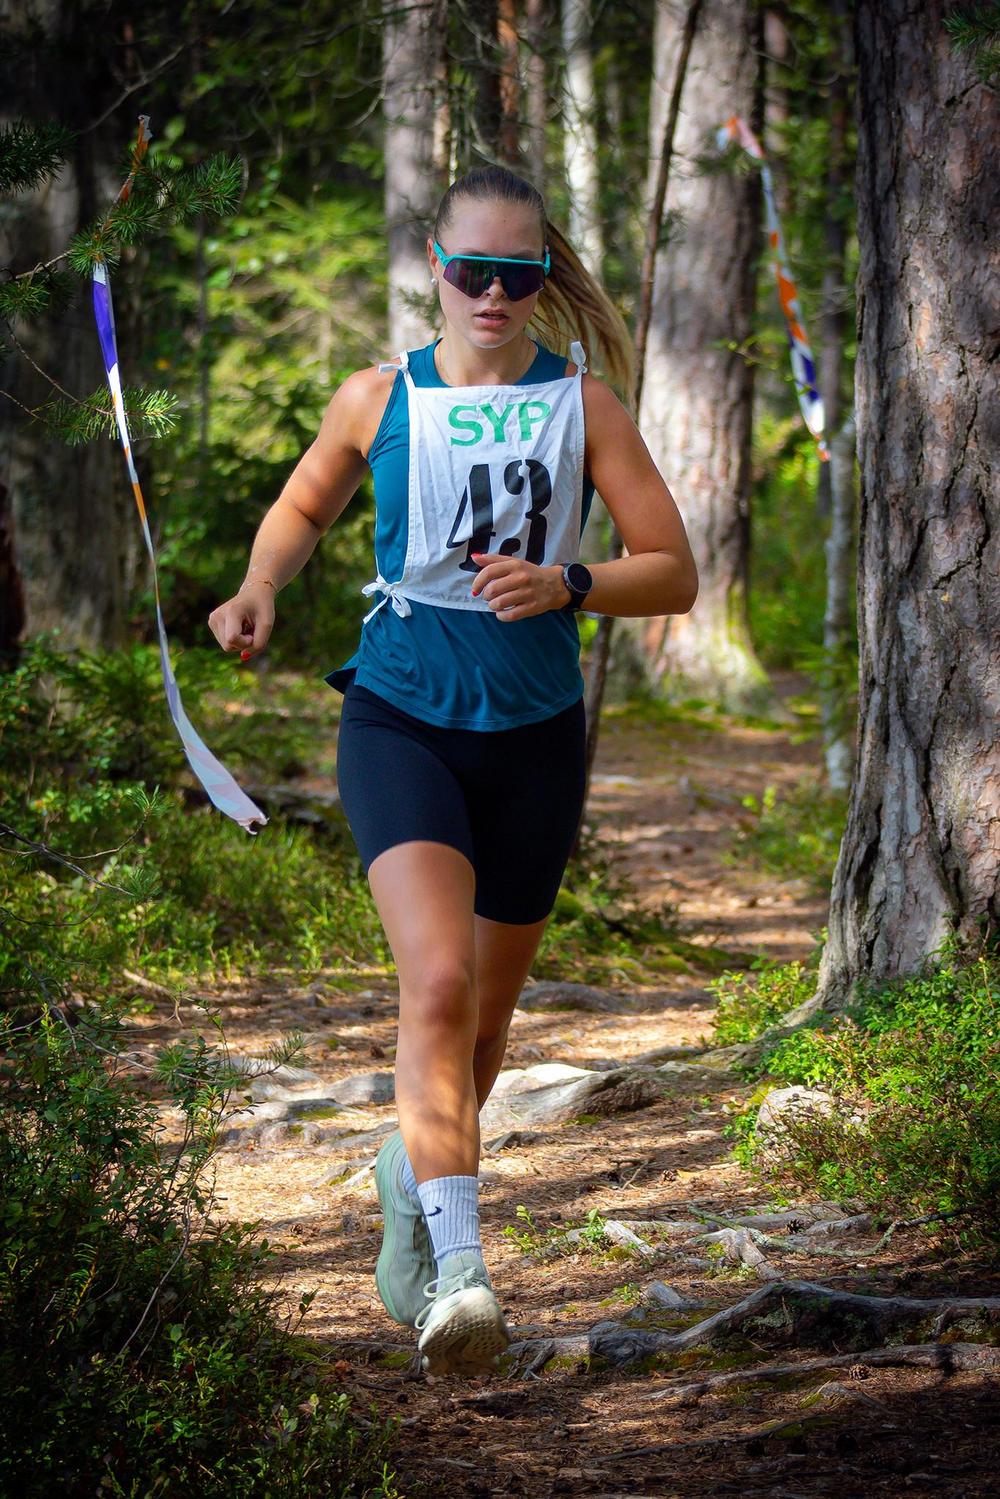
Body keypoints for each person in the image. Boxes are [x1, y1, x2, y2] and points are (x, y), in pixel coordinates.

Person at [208, 164, 698, 1378]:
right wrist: (260, 583)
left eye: (516, 274)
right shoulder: (379, 395)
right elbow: (302, 507)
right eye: (470, 269)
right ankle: (461, 1274)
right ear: (435, 266)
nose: (492, 293)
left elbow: (671, 569)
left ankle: (409, 1171)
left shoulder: (582, 405)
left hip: (533, 735)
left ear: (542, 277)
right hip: (401, 719)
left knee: (480, 1024)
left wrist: (568, 582)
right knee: (435, 982)